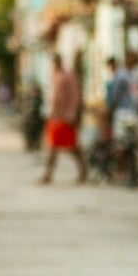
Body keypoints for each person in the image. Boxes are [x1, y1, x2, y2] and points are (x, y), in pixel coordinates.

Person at [41, 51, 85, 185]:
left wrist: (72, 113)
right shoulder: (55, 76)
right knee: (53, 147)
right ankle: (48, 175)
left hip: (66, 118)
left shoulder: (68, 76)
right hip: (55, 117)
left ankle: (83, 171)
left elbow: (75, 96)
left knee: (73, 148)